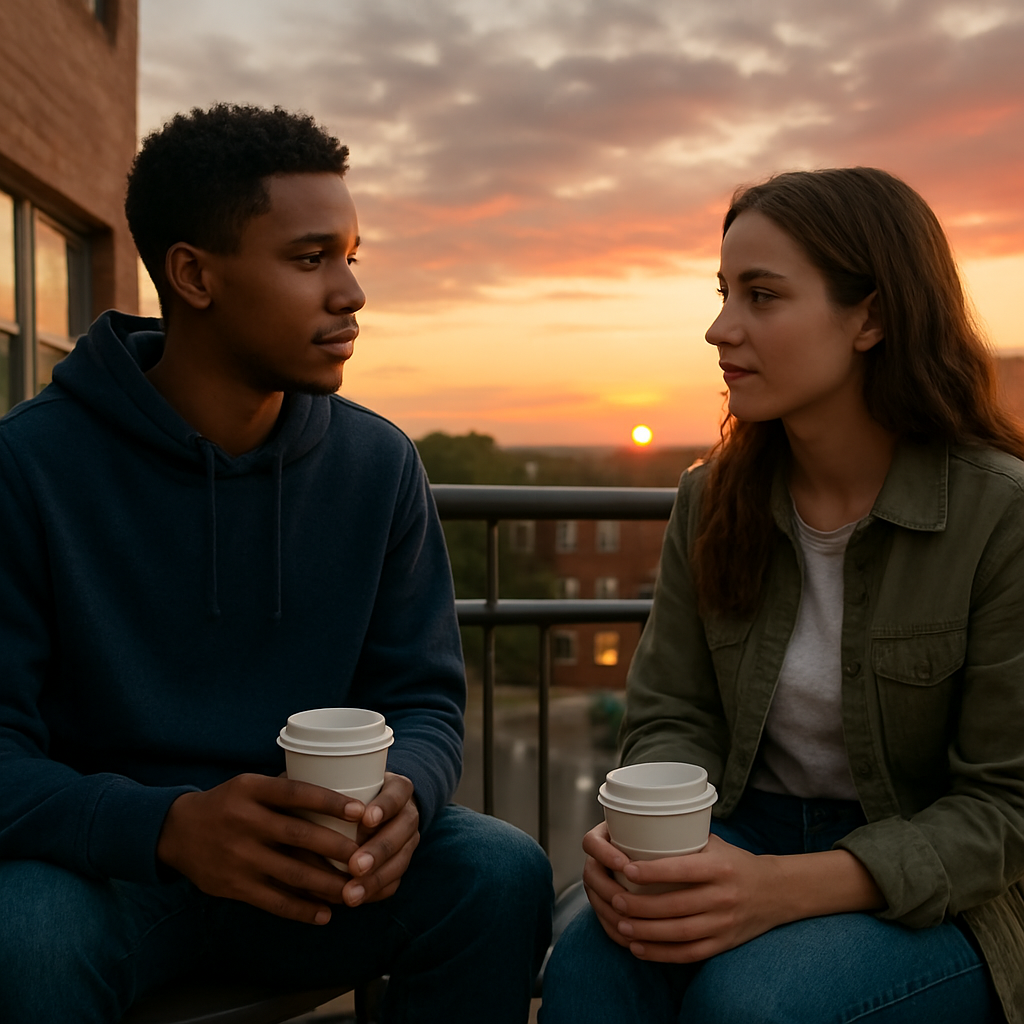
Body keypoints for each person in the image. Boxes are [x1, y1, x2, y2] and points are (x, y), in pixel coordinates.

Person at [0, 103, 552, 1024]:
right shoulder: (28, 467)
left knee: (498, 870)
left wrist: (406, 788)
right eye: (310, 259)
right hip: (107, 872)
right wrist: (169, 828)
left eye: (351, 256)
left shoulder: (377, 466)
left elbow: (422, 695)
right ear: (194, 275)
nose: (351, 294)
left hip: (324, 864)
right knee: (23, 935)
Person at [541, 167, 1023, 1023]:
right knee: (589, 961)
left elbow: (1004, 810)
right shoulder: (711, 496)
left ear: (870, 316)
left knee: (752, 1003)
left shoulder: (1001, 516)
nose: (720, 328)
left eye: (762, 296)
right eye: (724, 292)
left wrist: (781, 889)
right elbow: (671, 714)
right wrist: (651, 842)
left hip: (949, 896)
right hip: (744, 829)